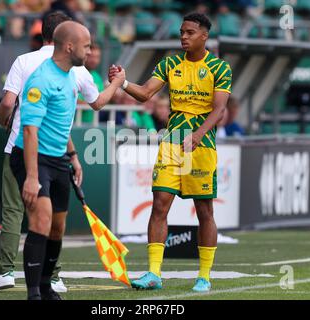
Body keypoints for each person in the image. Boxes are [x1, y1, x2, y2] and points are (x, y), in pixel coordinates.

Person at [0, 12, 123, 293]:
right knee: (40, 218)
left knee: (55, 225)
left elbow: (57, 120)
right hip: (30, 155)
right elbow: (31, 131)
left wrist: (73, 155)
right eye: (87, 46)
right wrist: (32, 176)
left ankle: (46, 281)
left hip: (57, 157)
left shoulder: (71, 72)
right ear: (69, 45)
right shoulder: (41, 77)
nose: (91, 52)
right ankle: (34, 290)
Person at [109, 12, 231, 292]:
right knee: (160, 203)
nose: (184, 37)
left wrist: (200, 134)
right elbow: (145, 93)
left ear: (204, 36)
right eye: (182, 32)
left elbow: (219, 108)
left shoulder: (219, 68)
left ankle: (204, 276)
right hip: (172, 142)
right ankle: (153, 273)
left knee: (204, 211)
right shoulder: (170, 64)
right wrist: (124, 83)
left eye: (190, 32)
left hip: (202, 146)